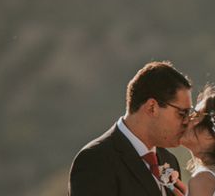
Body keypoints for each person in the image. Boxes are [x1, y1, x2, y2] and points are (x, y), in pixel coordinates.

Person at [69, 61, 194, 196]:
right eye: (182, 113)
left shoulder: (169, 160)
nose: (187, 121)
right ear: (152, 107)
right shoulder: (95, 160)